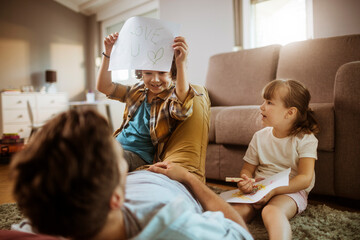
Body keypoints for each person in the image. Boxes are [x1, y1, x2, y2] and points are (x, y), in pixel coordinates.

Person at [10, 109, 253, 240]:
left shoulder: (45, 216)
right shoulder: (177, 227)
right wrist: (188, 179)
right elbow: (240, 233)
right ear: (116, 199)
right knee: (196, 101)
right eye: (120, 164)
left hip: (148, 175)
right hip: (174, 176)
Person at [231, 79, 319, 240]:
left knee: (271, 211)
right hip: (259, 188)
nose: (262, 106)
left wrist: (274, 190)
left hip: (289, 190)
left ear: (290, 112)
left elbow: (305, 179)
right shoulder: (259, 136)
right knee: (237, 211)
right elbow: (247, 169)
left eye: (269, 102)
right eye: (264, 101)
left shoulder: (305, 139)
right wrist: (246, 180)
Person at [97, 32, 197, 172]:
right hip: (115, 145)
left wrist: (181, 64)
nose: (155, 80)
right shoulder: (137, 90)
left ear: (171, 73)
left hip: (138, 157)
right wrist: (108, 53)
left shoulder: (171, 97)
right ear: (141, 73)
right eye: (148, 73)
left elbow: (182, 110)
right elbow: (104, 87)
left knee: (105, 158)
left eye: (162, 73)